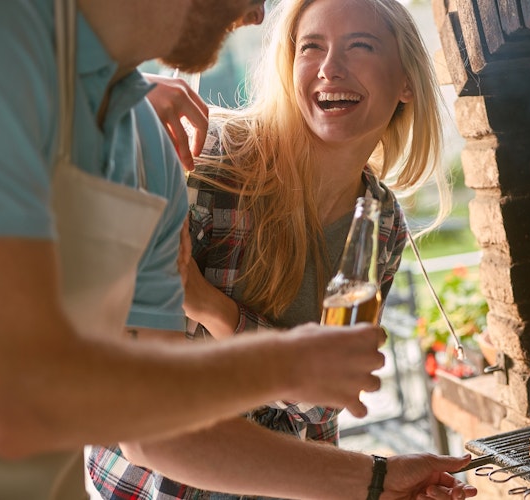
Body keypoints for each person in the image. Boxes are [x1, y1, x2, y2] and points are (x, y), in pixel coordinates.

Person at [0, 0, 397, 497]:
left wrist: (376, 480)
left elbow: (158, 434)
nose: (257, 14)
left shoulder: (146, 138)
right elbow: (16, 402)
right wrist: (286, 364)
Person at [83, 0, 474, 499]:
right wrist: (373, 480)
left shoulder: (378, 221)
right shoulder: (204, 161)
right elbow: (153, 418)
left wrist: (212, 307)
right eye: (311, 46)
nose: (331, 68)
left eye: (361, 45)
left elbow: (323, 402)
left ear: (407, 83)